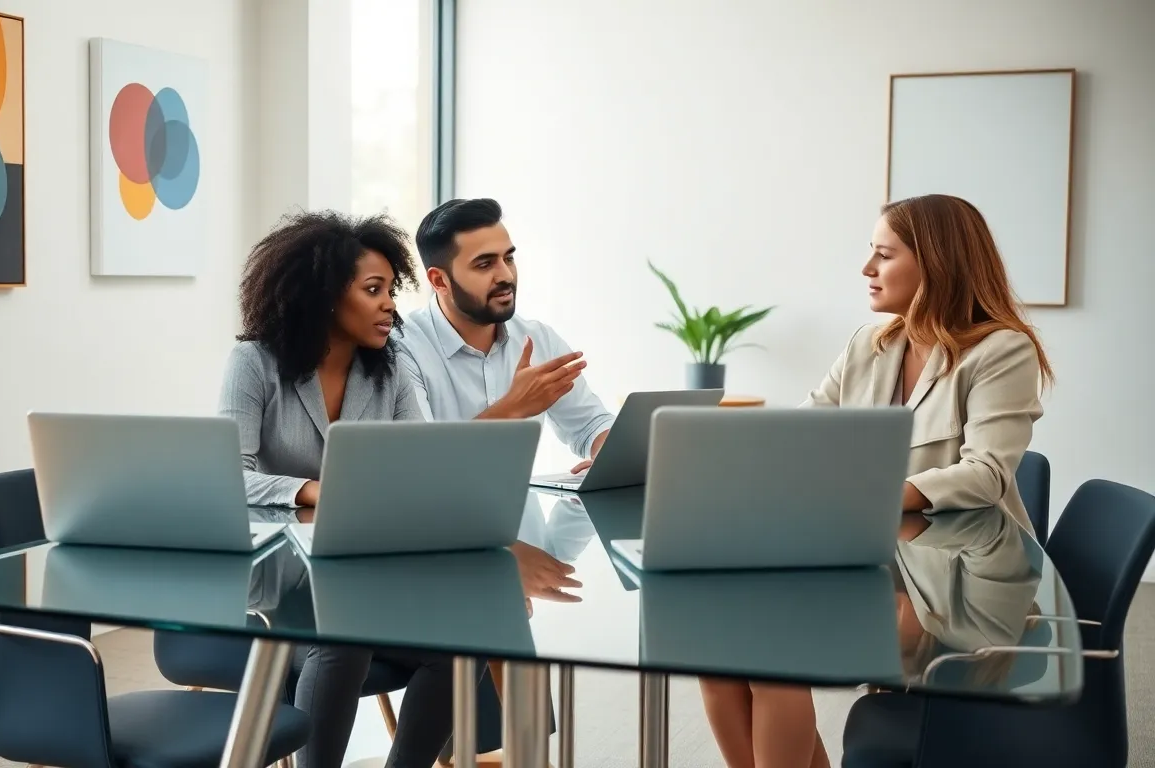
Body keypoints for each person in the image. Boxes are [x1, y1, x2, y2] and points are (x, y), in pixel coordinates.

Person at [699, 193, 1052, 768]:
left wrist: (869, 495)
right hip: (874, 567)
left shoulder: (999, 351)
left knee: (769, 661)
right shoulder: (870, 344)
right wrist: (716, 463)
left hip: (964, 589)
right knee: (718, 655)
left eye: (883, 255)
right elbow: (803, 437)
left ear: (936, 264)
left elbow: (986, 473)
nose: (867, 269)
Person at [219, 210, 451, 768]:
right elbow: (226, 473)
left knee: (461, 645)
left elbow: (420, 464)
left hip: (366, 575)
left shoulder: (390, 371)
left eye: (390, 289)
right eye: (373, 290)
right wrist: (313, 491)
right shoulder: (253, 364)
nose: (390, 304)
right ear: (324, 296)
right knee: (342, 639)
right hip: (274, 584)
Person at [397, 198, 616, 474]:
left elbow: (592, 424)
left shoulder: (537, 338)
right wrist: (513, 407)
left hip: (526, 515)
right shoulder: (403, 349)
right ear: (440, 281)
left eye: (508, 258)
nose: (505, 275)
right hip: (437, 516)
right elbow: (422, 461)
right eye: (484, 264)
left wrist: (607, 461)